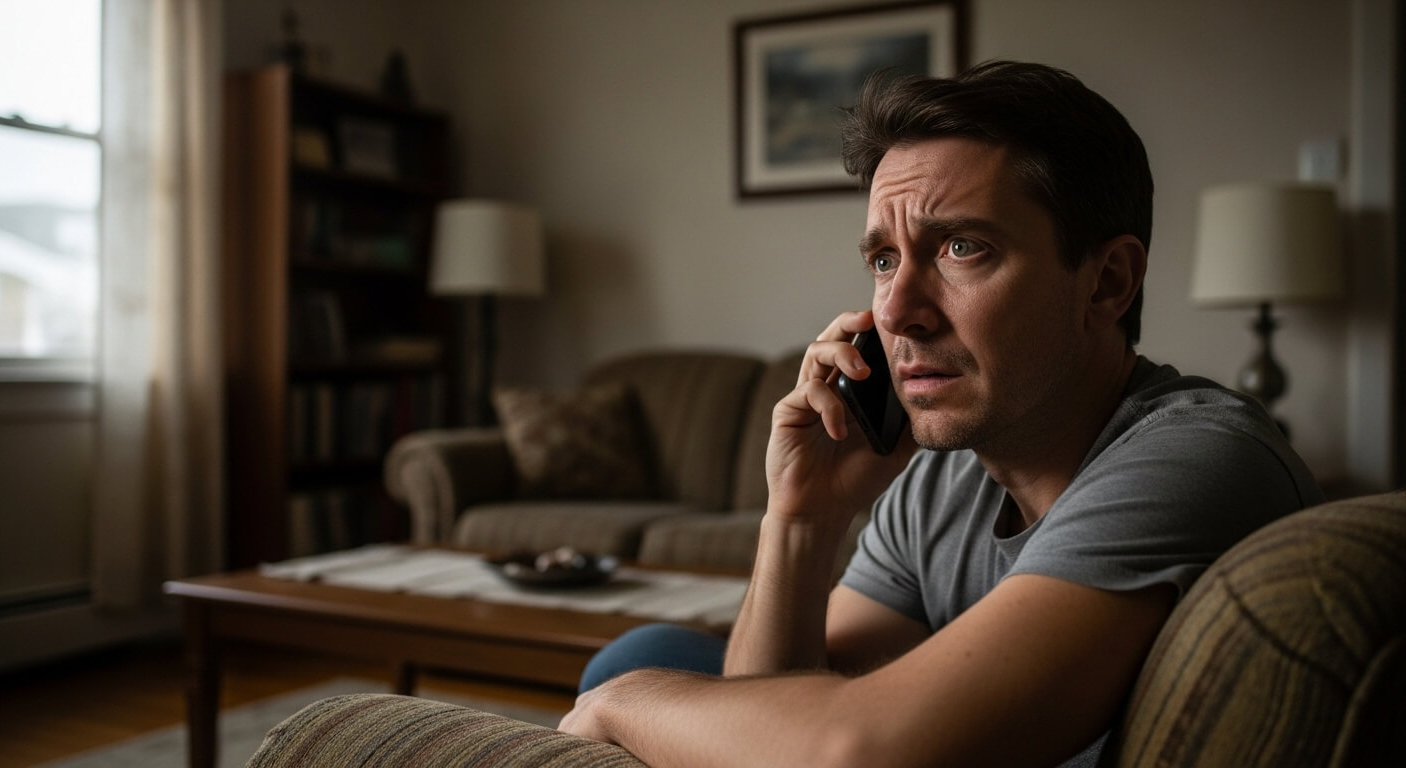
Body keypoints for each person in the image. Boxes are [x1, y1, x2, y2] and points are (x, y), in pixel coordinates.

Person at [558, 60, 1323, 768]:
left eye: (961, 247)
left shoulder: (1197, 458)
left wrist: (621, 706)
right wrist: (802, 518)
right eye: (884, 259)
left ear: (1107, 283)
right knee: (649, 654)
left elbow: (858, 752)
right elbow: (765, 707)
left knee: (633, 682)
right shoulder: (948, 477)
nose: (895, 311)